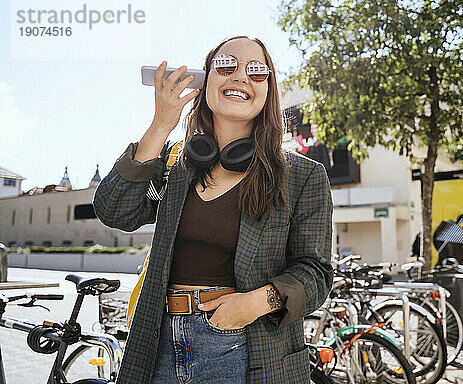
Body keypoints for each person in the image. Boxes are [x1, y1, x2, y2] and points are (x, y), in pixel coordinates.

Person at [93, 36, 334, 384]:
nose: (240, 77)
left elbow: (316, 272)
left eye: (256, 71)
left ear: (269, 91)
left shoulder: (303, 176)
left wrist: (255, 303)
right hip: (158, 341)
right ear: (206, 80)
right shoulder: (176, 163)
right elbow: (115, 212)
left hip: (245, 347)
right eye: (226, 66)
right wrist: (161, 125)